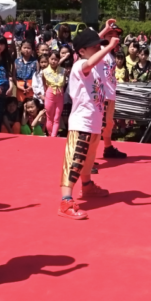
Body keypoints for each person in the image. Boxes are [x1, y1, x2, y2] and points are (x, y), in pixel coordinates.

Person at [58, 26, 121, 220]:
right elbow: (89, 58)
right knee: (75, 160)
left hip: (93, 123)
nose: (98, 49)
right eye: (95, 47)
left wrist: (104, 33)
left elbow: (92, 50)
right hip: (81, 123)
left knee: (89, 159)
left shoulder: (94, 68)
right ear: (82, 51)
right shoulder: (80, 65)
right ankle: (65, 200)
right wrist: (108, 46)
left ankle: (86, 186)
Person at [100, 27, 127, 159]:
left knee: (108, 124)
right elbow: (90, 42)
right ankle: (88, 157)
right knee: (99, 126)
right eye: (110, 34)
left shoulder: (111, 54)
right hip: (102, 95)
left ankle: (108, 147)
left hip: (110, 94)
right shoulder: (99, 50)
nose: (114, 37)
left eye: (116, 35)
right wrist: (104, 30)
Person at [42, 50, 66, 137]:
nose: (53, 61)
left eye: (56, 59)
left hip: (60, 95)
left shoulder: (63, 70)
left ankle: (53, 136)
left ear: (58, 60)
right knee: (49, 117)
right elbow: (44, 85)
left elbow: (64, 83)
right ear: (48, 59)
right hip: (50, 94)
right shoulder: (44, 71)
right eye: (52, 59)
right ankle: (50, 135)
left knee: (57, 117)